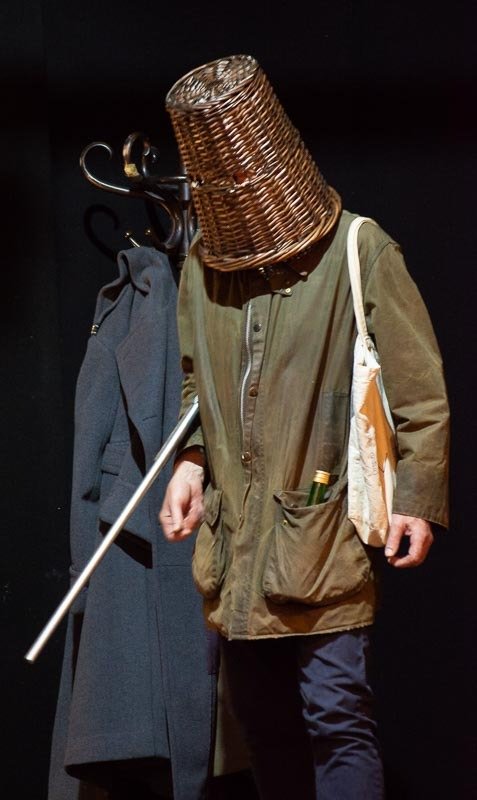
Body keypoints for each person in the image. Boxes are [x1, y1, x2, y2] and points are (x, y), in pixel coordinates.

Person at [159, 55, 449, 800]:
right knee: (260, 723)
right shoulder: (202, 270)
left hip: (321, 538)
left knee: (336, 718)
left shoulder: (360, 248)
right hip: (236, 541)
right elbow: (197, 388)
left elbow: (420, 394)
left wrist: (416, 499)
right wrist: (190, 462)